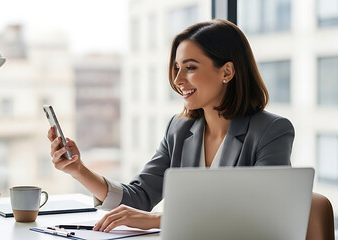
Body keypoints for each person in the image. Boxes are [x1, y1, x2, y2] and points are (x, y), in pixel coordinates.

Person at [47, 19, 294, 232]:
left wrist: (159, 220)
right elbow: (139, 197)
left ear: (227, 72)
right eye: (177, 68)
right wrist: (78, 169)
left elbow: (261, 215)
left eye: (190, 68)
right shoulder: (180, 129)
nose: (177, 80)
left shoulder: (271, 131)